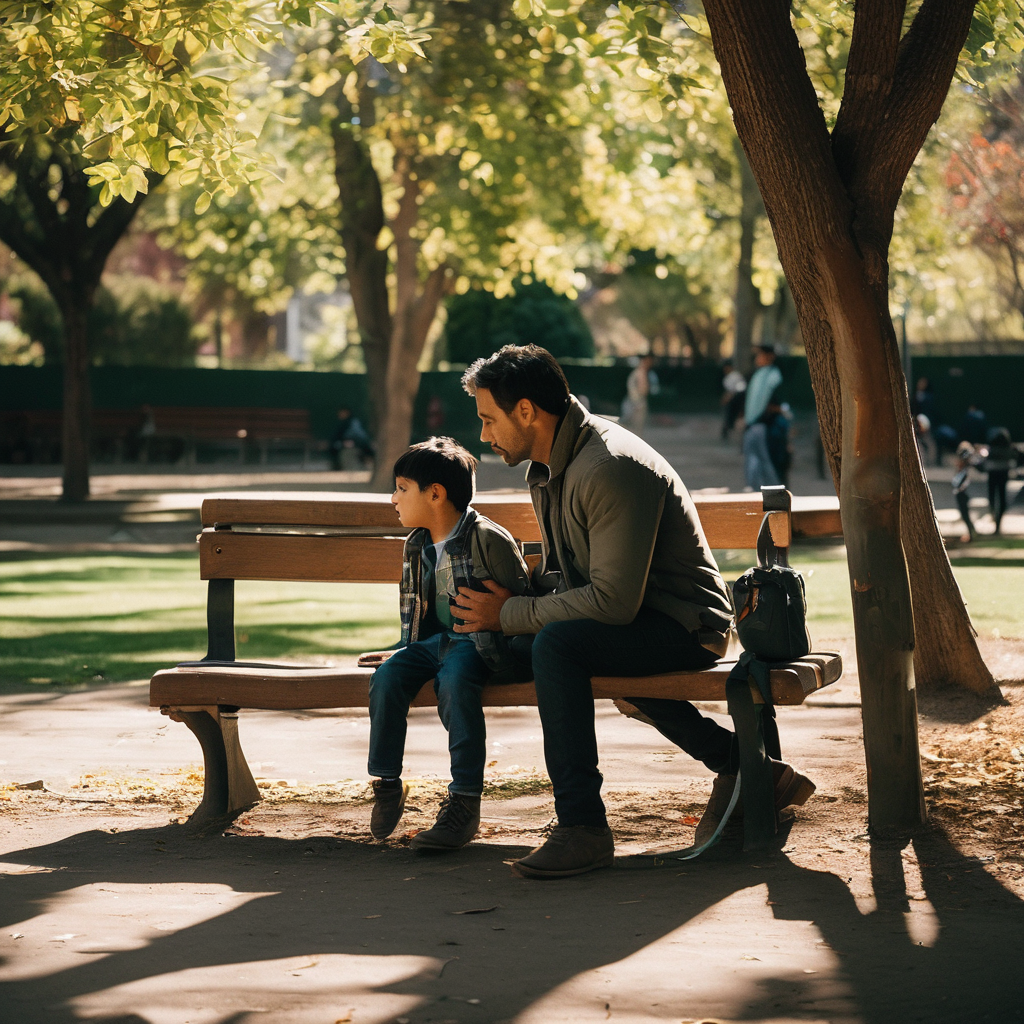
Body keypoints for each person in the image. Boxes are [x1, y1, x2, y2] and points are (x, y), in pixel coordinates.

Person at [456, 344, 814, 879]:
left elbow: (612, 602)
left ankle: (583, 828)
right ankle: (749, 768)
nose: (484, 435)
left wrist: (510, 613)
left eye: (489, 419)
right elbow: (579, 580)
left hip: (687, 625)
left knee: (558, 645)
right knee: (532, 645)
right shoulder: (552, 465)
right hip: (636, 618)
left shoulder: (609, 466)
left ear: (527, 411)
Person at [358, 437, 532, 850]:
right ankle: (386, 782)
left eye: (401, 488)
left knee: (454, 686)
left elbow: (523, 605)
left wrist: (508, 624)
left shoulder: (488, 539)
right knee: (387, 678)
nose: (393, 498)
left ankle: (464, 801)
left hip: (478, 646)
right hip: (434, 643)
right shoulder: (416, 543)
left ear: (435, 494)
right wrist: (403, 649)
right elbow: (419, 612)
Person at [742, 344, 784, 490]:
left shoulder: (773, 375)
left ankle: (774, 491)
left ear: (769, 357)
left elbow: (776, 402)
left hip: (765, 425)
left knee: (765, 461)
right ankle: (755, 489)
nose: (757, 358)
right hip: (753, 424)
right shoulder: (758, 374)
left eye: (760, 355)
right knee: (755, 459)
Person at [981, 427, 1017, 535]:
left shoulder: (991, 450)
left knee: (992, 496)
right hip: (1003, 474)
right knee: (1002, 498)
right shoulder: (1009, 450)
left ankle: (994, 515)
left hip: (993, 474)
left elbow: (983, 463)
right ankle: (998, 522)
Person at [620, 354, 658, 435]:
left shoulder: (638, 372)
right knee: (635, 430)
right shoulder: (640, 372)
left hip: (634, 402)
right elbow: (643, 389)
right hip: (636, 404)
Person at [952, 442, 976, 543]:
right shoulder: (962, 471)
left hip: (962, 494)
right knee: (964, 514)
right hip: (960, 493)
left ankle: (971, 533)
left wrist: (960, 489)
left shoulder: (964, 471)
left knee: (965, 513)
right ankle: (972, 532)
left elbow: (962, 483)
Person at [720, 358, 747, 440]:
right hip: (734, 399)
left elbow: (736, 389)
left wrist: (728, 398)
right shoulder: (728, 376)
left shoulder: (735, 376)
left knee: (734, 416)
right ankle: (727, 430)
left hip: (737, 400)